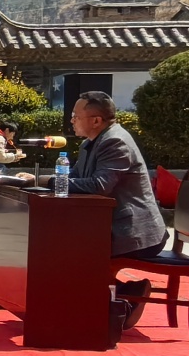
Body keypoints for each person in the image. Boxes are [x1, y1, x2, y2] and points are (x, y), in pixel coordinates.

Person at [67, 90, 168, 328]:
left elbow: (100, 185)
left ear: (96, 120)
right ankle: (121, 294)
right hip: (108, 227)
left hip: (133, 232)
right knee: (60, 244)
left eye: (75, 116)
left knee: (70, 250)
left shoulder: (115, 141)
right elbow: (74, 178)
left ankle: (119, 303)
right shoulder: (90, 143)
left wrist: (51, 182)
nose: (71, 120)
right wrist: (45, 182)